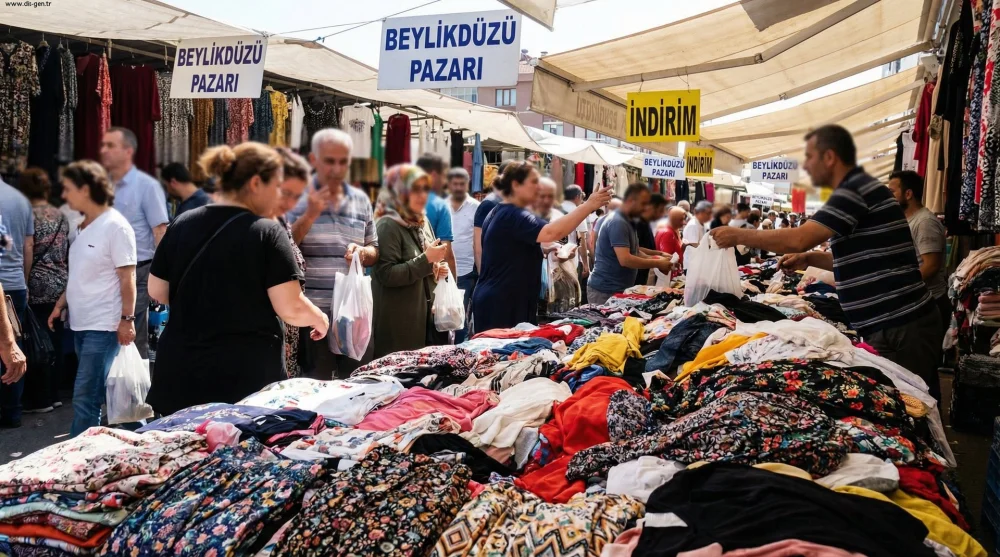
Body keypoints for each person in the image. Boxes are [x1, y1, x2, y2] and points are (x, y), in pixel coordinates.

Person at [711, 125, 942, 400]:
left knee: (913, 409)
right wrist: (809, 259)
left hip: (900, 325)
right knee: (907, 407)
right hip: (893, 324)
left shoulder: (853, 191)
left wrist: (739, 234)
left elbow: (799, 238)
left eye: (810, 157)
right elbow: (857, 262)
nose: (806, 166)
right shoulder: (859, 190)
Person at [146, 143, 329, 415]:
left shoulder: (183, 222)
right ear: (256, 183)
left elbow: (157, 290)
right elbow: (291, 307)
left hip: (181, 374)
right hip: (242, 381)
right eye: (276, 186)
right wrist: (319, 319)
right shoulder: (267, 231)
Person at [46, 161, 136, 437]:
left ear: (86, 189)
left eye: (68, 189)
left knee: (86, 397)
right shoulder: (84, 227)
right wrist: (61, 304)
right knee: (104, 394)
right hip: (82, 323)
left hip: (103, 325)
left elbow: (127, 278)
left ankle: (76, 460)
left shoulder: (116, 227)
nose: (64, 196)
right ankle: (137, 442)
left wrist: (126, 320)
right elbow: (81, 275)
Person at [473, 162, 611, 332]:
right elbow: (552, 232)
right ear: (515, 185)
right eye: (533, 182)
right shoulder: (514, 214)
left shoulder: (502, 211)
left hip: (502, 301)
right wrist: (588, 206)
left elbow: (505, 249)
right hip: (503, 306)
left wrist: (542, 250)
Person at [288, 129, 378, 379]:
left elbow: (374, 249)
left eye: (343, 161)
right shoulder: (296, 199)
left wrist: (363, 252)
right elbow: (285, 246)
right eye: (329, 161)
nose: (336, 168)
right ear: (314, 160)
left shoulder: (361, 200)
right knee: (315, 389)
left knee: (357, 386)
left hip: (354, 315)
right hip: (313, 315)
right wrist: (310, 215)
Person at [100, 127, 169, 360]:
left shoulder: (146, 186)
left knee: (132, 332)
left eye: (110, 146)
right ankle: (109, 387)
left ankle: (134, 391)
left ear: (128, 151)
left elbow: (160, 230)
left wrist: (161, 274)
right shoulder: (102, 184)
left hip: (137, 270)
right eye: (103, 145)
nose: (104, 151)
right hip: (104, 270)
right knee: (107, 330)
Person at [372, 165, 449, 357]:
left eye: (425, 189)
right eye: (415, 189)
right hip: (398, 328)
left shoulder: (422, 222)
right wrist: (427, 260)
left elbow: (425, 265)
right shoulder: (388, 225)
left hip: (424, 322)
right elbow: (386, 274)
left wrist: (437, 268)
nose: (422, 195)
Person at [17, 169, 68, 415]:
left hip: (36, 285)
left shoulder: (28, 215)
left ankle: (38, 398)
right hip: (59, 285)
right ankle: (54, 393)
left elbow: (27, 247)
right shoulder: (60, 215)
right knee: (54, 340)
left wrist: (24, 281)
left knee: (33, 341)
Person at [887, 170, 950, 333]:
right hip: (916, 303)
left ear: (908, 194)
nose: (888, 198)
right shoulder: (908, 220)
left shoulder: (924, 222)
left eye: (892, 192)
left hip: (929, 303)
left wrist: (900, 287)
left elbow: (931, 266)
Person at [588, 185, 674, 304]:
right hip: (606, 290)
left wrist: (657, 257)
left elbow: (635, 251)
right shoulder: (618, 222)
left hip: (618, 288)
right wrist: (657, 262)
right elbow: (625, 259)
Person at [0, 170, 33, 426]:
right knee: (14, 349)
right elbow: (26, 246)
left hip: (5, 284)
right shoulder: (20, 199)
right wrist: (24, 278)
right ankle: (12, 412)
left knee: (9, 348)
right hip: (15, 284)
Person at [275, 148, 312, 378]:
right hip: (272, 332)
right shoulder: (265, 224)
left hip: (288, 329)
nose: (291, 202)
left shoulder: (281, 220)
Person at [446, 168, 479, 344]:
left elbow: (478, 240)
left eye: (462, 184)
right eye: (455, 184)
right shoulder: (440, 206)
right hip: (441, 271)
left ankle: (457, 352)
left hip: (465, 271)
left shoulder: (476, 207)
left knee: (459, 316)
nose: (458, 187)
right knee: (442, 315)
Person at [415, 153, 458, 278]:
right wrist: (453, 286)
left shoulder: (397, 200)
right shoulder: (440, 206)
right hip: (429, 281)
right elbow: (446, 253)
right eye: (443, 176)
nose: (444, 181)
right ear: (434, 175)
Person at [473, 160, 517, 273]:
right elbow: (478, 247)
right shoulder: (489, 203)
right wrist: (482, 275)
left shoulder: (515, 203)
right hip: (493, 274)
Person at [561, 185, 593, 283]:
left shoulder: (554, 210)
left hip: (552, 261)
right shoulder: (578, 212)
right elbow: (581, 241)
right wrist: (586, 264)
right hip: (570, 262)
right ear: (578, 196)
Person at [634, 193, 668, 286]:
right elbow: (636, 249)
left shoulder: (646, 221)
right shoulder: (638, 222)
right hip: (636, 272)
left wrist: (659, 255)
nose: (662, 213)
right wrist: (657, 258)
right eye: (660, 210)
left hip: (644, 269)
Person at [656, 206, 687, 270]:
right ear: (674, 219)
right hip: (670, 277)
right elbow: (666, 262)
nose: (684, 223)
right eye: (681, 219)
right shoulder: (668, 234)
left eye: (684, 219)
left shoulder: (673, 231)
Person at [683, 201, 713, 266]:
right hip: (692, 263)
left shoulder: (704, 224)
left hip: (700, 261)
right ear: (698, 212)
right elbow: (693, 246)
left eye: (711, 213)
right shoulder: (693, 225)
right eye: (707, 213)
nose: (710, 216)